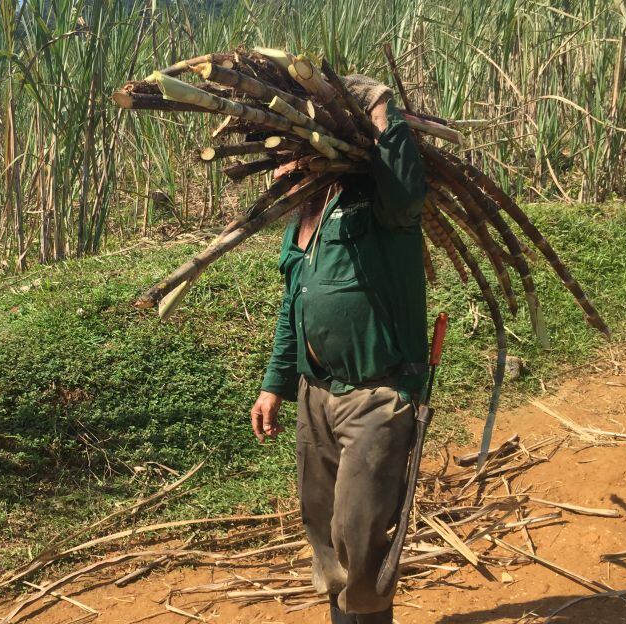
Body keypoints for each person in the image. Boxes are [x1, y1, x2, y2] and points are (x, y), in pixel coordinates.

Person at [250, 75, 428, 624]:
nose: (277, 172)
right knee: (323, 525)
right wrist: (274, 385)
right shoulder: (303, 220)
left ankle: (367, 617)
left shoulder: (375, 202)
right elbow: (294, 305)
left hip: (376, 394)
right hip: (316, 394)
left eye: (285, 159)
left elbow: (407, 194)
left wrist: (380, 110)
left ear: (315, 152)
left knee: (359, 529)